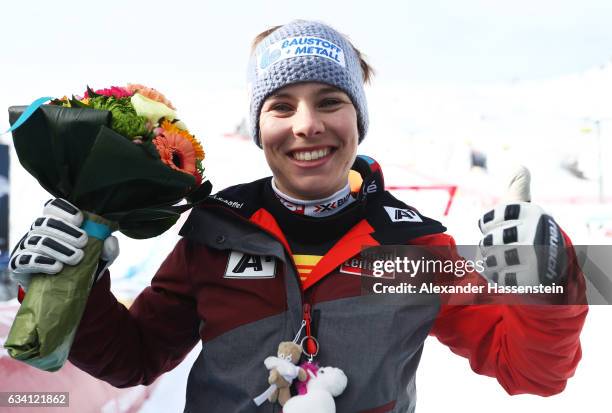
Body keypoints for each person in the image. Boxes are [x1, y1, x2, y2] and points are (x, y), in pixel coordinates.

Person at [9, 20, 587, 412]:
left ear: (359, 120)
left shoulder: (415, 248)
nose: (306, 124)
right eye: (281, 106)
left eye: (330, 102)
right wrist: (75, 285)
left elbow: (533, 371)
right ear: (259, 128)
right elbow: (134, 359)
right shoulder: (216, 230)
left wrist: (550, 276)